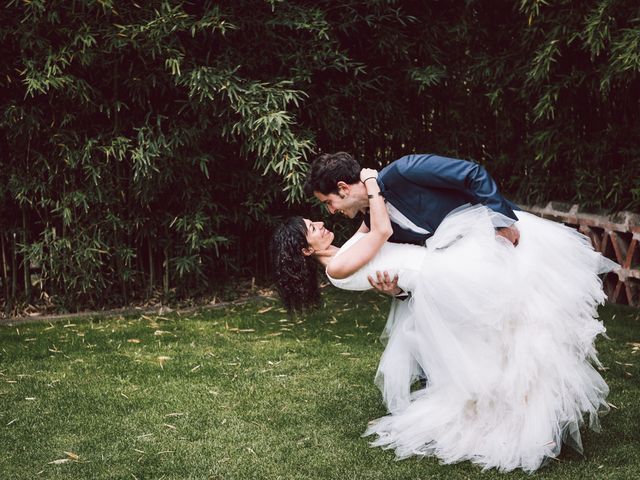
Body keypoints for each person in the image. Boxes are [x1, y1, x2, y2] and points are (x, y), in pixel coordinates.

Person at [271, 160, 617, 473]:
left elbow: (385, 241)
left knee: (515, 333)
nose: (326, 215)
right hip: (446, 279)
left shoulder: (378, 205)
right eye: (313, 224)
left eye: (327, 204)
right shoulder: (337, 266)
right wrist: (373, 184)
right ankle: (529, 428)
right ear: (306, 250)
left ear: (344, 189)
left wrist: (394, 286)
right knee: (504, 344)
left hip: (449, 270)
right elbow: (382, 234)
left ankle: (539, 422)